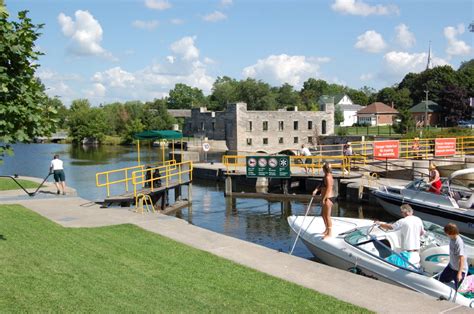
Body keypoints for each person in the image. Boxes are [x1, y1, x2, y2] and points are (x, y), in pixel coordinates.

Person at [439, 223, 469, 289]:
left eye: (446, 233)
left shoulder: (458, 242)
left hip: (460, 270)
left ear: (451, 233)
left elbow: (462, 258)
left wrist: (459, 273)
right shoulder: (452, 238)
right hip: (451, 266)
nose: (446, 234)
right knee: (441, 280)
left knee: (457, 288)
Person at [312, 163, 335, 239]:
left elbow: (328, 189)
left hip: (328, 198)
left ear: (325, 169)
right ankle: (326, 229)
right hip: (325, 198)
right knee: (323, 214)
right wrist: (316, 190)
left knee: (327, 216)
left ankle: (329, 233)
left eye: (323, 169)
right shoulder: (325, 176)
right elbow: (321, 184)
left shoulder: (328, 177)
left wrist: (324, 198)